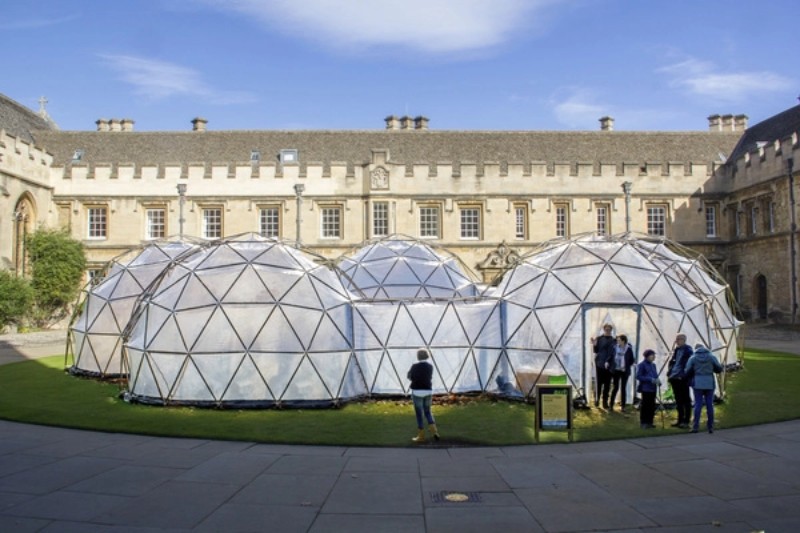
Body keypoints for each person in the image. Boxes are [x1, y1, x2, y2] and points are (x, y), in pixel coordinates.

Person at [685, 343, 723, 433]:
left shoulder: (693, 358)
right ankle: (710, 426)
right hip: (709, 382)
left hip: (698, 382)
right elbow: (718, 369)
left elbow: (687, 371)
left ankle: (695, 426)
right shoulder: (711, 357)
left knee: (698, 404)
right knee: (710, 405)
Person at [407, 348, 439, 443]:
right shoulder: (430, 366)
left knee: (419, 414)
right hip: (428, 391)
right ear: (427, 356)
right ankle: (434, 431)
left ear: (418, 356)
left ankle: (421, 436)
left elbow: (409, 376)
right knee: (428, 411)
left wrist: (414, 378)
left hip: (417, 391)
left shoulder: (414, 366)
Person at [667, 333, 693, 429]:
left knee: (686, 399)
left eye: (678, 339)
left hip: (682, 378)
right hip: (674, 377)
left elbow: (689, 365)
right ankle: (680, 420)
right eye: (676, 339)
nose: (676, 341)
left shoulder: (688, 351)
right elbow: (673, 362)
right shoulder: (677, 350)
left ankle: (686, 421)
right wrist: (670, 373)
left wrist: (683, 376)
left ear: (683, 340)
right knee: (678, 400)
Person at [591, 323, 615, 409]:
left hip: (609, 366)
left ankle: (605, 402)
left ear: (611, 330)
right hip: (600, 364)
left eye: (609, 329)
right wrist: (594, 345)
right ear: (604, 329)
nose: (607, 331)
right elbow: (596, 351)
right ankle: (596, 399)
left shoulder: (614, 340)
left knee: (607, 385)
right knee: (598, 383)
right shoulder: (599, 339)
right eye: (606, 329)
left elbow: (613, 353)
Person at [609, 334, 635, 412]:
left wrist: (627, 365)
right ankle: (611, 405)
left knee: (623, 388)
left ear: (623, 341)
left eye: (619, 340)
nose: (618, 341)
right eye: (617, 340)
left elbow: (631, 359)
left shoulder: (628, 349)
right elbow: (611, 356)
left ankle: (623, 406)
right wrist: (608, 362)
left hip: (624, 371)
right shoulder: (615, 348)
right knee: (615, 387)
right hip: (616, 370)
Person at [636, 349, 660, 429]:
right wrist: (650, 379)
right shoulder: (642, 365)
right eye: (652, 355)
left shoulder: (653, 365)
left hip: (653, 388)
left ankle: (650, 421)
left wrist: (657, 380)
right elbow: (639, 376)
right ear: (647, 356)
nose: (653, 357)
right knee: (645, 405)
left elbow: (655, 375)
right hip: (646, 388)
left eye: (654, 355)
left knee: (652, 405)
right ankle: (644, 422)